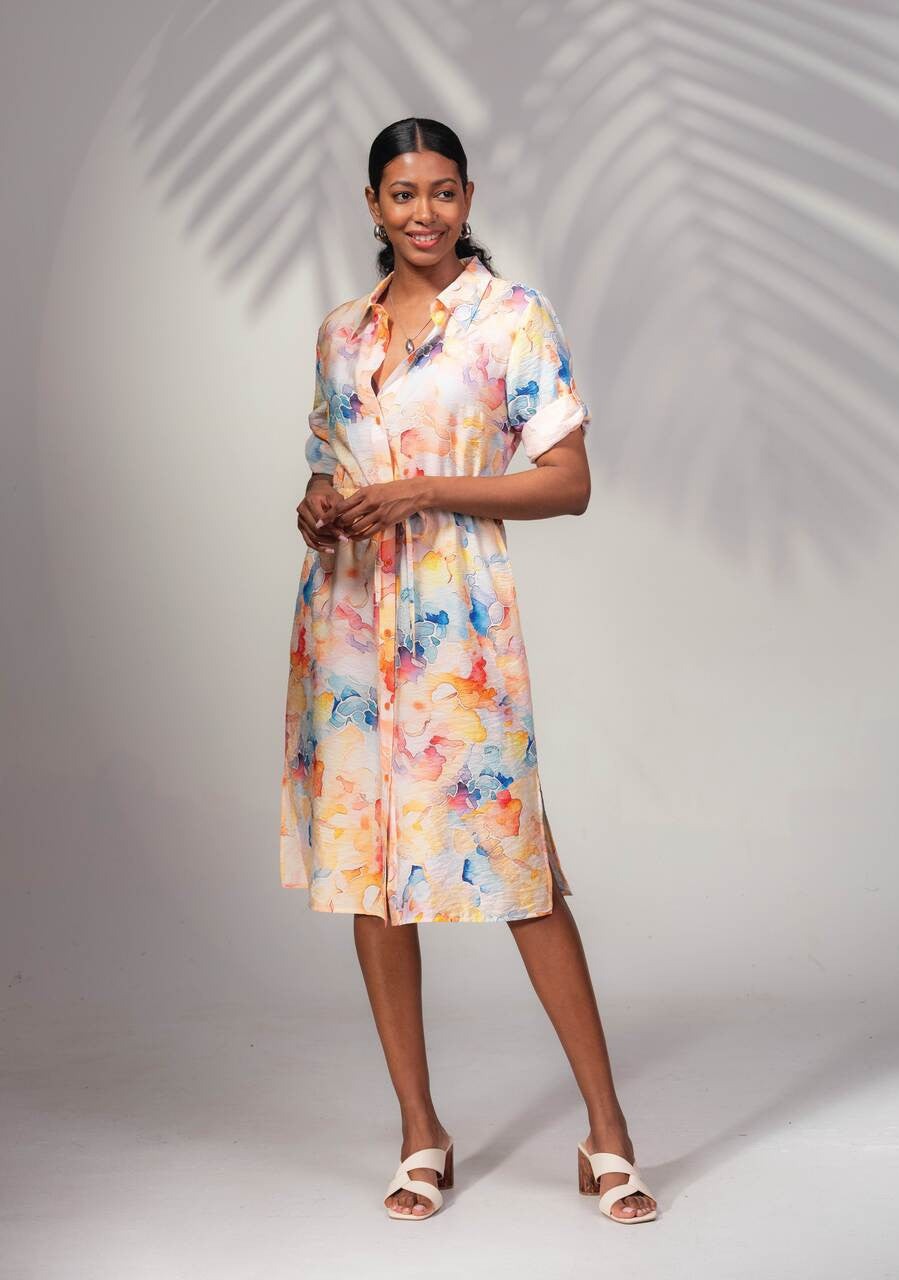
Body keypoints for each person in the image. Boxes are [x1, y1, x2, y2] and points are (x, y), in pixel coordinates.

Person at [280, 116, 657, 1225]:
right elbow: (327, 461)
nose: (426, 213)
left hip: (457, 632)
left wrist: (428, 488)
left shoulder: (510, 318)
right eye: (403, 194)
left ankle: (608, 1133)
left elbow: (568, 480)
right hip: (348, 625)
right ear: (371, 205)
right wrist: (317, 505)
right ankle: (419, 1129)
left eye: (444, 191)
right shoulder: (340, 331)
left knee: (520, 872)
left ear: (469, 195)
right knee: (370, 874)